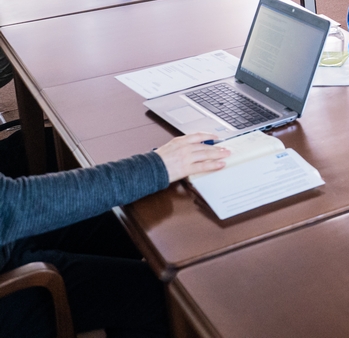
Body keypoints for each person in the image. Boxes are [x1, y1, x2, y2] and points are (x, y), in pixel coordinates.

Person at [0, 132, 229, 337]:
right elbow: (14, 205)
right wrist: (158, 166)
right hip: (9, 281)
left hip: (8, 237)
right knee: (168, 299)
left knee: (132, 222)